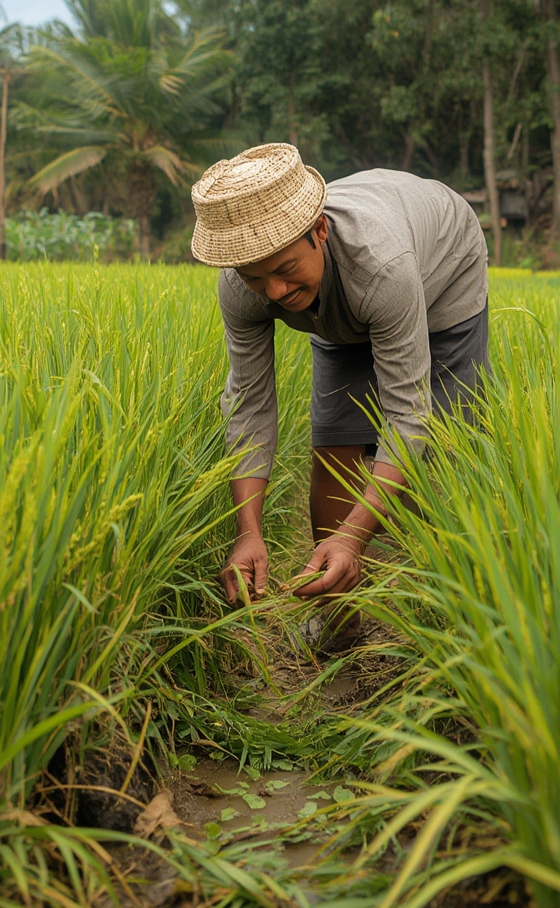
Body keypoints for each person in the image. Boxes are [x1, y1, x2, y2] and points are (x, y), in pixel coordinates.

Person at [190, 143, 489, 605]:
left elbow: (408, 416)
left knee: (444, 450)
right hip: (347, 294)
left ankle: (441, 603)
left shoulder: (381, 268)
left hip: (442, 268)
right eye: (256, 278)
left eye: (286, 269)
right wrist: (247, 532)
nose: (276, 291)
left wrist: (354, 536)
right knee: (334, 444)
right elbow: (249, 406)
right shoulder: (240, 289)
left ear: (320, 229)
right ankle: (336, 615)